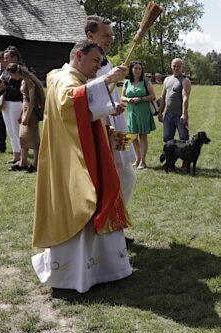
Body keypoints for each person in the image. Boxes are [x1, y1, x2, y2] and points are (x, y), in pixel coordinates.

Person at [31, 39, 130, 293]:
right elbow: (70, 104)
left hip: (79, 150)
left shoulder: (70, 78)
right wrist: (108, 81)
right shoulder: (65, 79)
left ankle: (99, 267)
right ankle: (78, 272)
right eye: (95, 61)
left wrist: (108, 111)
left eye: (100, 63)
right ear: (78, 56)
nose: (98, 67)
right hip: (74, 158)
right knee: (85, 199)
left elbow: (84, 111)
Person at [85, 15, 137, 243]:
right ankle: (108, 228)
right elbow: (83, 92)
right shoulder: (86, 61)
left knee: (127, 174)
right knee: (110, 179)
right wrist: (108, 79)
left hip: (118, 126)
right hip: (102, 130)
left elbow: (108, 94)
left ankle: (115, 224)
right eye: (106, 35)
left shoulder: (105, 61)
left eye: (112, 35)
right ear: (90, 35)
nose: (111, 39)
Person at [5, 63, 44, 172]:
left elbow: (32, 101)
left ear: (16, 72)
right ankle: (23, 161)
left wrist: (26, 116)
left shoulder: (30, 82)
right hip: (26, 110)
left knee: (33, 137)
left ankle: (36, 163)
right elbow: (24, 100)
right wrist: (22, 114)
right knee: (22, 137)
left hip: (31, 112)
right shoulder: (23, 81)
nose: (11, 77)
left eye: (11, 74)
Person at [121, 61, 156, 169]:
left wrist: (140, 99)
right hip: (131, 112)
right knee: (132, 136)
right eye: (135, 68)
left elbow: (153, 96)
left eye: (139, 69)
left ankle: (143, 161)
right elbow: (122, 97)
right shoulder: (127, 82)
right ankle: (137, 158)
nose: (137, 70)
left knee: (142, 135)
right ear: (131, 70)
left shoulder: (146, 82)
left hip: (143, 112)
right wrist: (128, 99)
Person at [158, 58, 191, 143]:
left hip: (179, 115)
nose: (176, 68)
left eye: (178, 66)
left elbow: (185, 98)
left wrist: (184, 114)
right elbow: (162, 96)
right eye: (174, 66)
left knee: (184, 140)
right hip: (168, 114)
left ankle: (186, 156)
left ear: (182, 67)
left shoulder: (185, 80)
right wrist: (160, 112)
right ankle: (169, 156)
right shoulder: (167, 79)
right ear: (171, 66)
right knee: (167, 139)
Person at [1, 46, 24, 166]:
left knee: (17, 130)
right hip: (7, 103)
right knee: (10, 130)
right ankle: (16, 155)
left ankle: (22, 157)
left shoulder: (21, 70)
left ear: (14, 58)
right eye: (4, 58)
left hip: (17, 103)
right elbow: (3, 82)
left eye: (7, 58)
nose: (5, 60)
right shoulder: (6, 71)